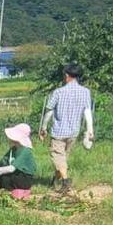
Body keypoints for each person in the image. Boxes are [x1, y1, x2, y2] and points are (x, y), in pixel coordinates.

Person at [39, 64, 94, 194]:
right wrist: (90, 129)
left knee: (58, 157)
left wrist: (44, 127)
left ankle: (65, 181)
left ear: (67, 76)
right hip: (74, 132)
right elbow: (87, 112)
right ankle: (55, 181)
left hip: (59, 132)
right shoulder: (86, 92)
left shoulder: (58, 92)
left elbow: (49, 112)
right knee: (63, 158)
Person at [0, 123, 38, 197]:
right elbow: (3, 161)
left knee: (4, 178)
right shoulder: (13, 149)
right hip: (17, 174)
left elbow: (11, 169)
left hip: (24, 178)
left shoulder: (25, 150)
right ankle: (0, 191)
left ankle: (11, 191)